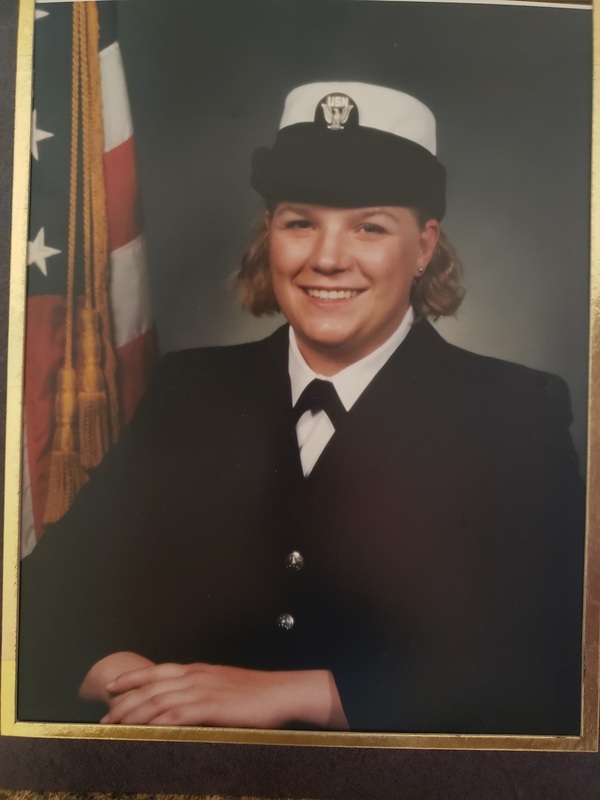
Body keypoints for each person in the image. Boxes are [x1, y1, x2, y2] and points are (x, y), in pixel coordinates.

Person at [18, 82, 585, 735]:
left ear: (424, 247)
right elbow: (38, 601)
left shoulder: (515, 415)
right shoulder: (190, 392)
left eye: (370, 227)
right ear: (270, 232)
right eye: (300, 223)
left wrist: (305, 695)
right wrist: (139, 684)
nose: (327, 259)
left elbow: (554, 664)